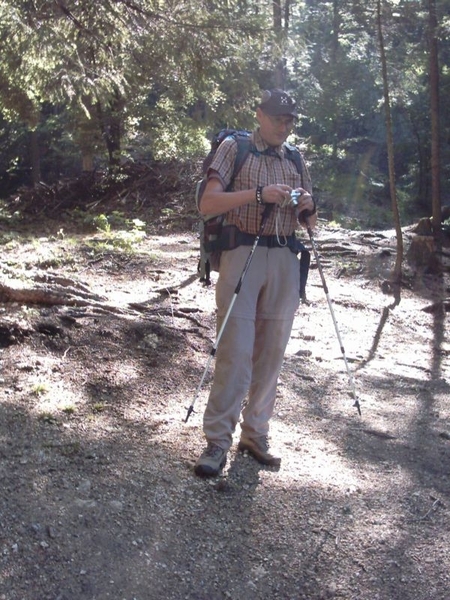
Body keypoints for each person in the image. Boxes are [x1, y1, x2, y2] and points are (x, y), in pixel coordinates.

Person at [195, 89, 317, 477]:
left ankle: (255, 433)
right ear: (260, 114)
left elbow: (311, 221)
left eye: (290, 119)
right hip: (241, 253)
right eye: (279, 117)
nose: (285, 125)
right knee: (235, 350)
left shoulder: (295, 157)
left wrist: (307, 209)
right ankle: (217, 442)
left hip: (285, 257)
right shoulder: (235, 148)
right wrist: (260, 194)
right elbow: (208, 204)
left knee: (271, 354)